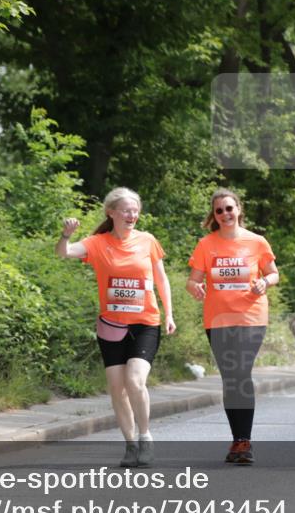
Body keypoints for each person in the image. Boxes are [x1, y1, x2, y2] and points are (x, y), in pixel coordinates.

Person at [56, 187, 175, 468]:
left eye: (135, 210)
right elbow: (64, 253)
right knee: (116, 388)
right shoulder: (97, 243)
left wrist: (169, 314)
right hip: (111, 325)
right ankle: (130, 444)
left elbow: (162, 279)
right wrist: (66, 235)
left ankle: (145, 437)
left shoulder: (147, 241)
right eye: (126, 210)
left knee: (135, 380)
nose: (132, 215)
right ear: (112, 212)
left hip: (145, 322)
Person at [187, 189, 279, 464]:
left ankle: (244, 441)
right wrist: (195, 287)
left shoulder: (256, 242)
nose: (225, 214)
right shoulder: (206, 244)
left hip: (250, 316)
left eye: (229, 208)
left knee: (240, 371)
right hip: (217, 319)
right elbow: (192, 280)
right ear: (214, 216)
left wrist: (265, 282)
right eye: (219, 211)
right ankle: (238, 440)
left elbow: (274, 273)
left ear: (238, 209)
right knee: (230, 379)